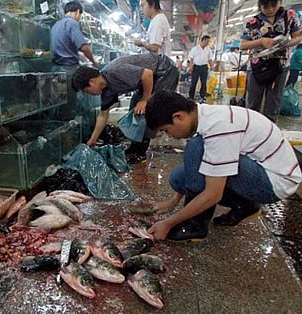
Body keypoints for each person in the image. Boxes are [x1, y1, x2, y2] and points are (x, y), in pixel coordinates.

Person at [144, 90, 302, 241]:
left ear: (178, 116)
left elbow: (214, 194)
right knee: (179, 178)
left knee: (197, 147)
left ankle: (196, 226)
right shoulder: (203, 114)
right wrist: (173, 200)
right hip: (258, 167)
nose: (169, 135)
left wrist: (169, 223)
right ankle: (244, 205)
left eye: (166, 130)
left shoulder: (218, 128)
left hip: (275, 182)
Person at [72, 53, 179, 164]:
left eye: (86, 90)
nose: (89, 94)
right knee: (134, 107)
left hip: (164, 70)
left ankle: (141, 152)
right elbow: (103, 115)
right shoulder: (106, 91)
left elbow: (147, 75)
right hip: (149, 78)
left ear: (92, 82)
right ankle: (135, 147)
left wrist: (145, 101)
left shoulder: (115, 71)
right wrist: (92, 140)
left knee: (149, 109)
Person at [240, 0, 302, 122]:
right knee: (253, 102)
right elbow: (243, 45)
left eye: (274, 5)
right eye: (266, 6)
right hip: (257, 67)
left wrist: (285, 44)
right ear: (260, 5)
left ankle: (270, 133)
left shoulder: (290, 16)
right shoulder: (252, 21)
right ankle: (250, 131)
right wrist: (261, 41)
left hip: (280, 66)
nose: (270, 9)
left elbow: (297, 37)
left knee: (274, 102)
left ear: (280, 2)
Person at [50, 1, 98, 120]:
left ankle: (62, 133)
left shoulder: (56, 25)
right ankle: (74, 135)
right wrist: (93, 61)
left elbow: (64, 47)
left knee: (60, 105)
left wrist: (80, 57)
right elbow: (84, 46)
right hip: (69, 71)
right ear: (77, 12)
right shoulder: (72, 23)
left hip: (56, 70)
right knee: (73, 106)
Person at [188, 35, 213, 102]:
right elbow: (191, 59)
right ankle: (191, 96)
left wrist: (212, 66)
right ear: (203, 40)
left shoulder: (208, 49)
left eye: (208, 41)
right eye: (207, 41)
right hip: (196, 67)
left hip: (204, 67)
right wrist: (191, 67)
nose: (208, 43)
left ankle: (203, 96)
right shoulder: (195, 49)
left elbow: (210, 59)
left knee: (204, 83)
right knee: (194, 82)